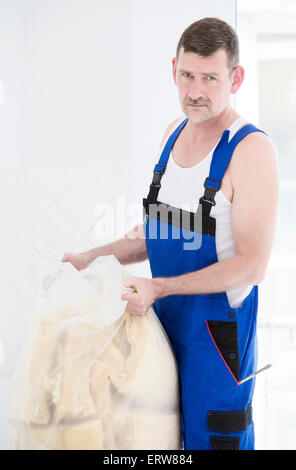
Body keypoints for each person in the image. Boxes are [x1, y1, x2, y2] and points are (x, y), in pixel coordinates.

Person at [62, 17, 279, 450]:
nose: (195, 91)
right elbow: (155, 233)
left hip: (217, 347)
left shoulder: (251, 150)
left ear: (235, 78)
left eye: (210, 78)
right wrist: (93, 255)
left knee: (212, 440)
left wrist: (158, 286)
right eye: (186, 75)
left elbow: (252, 267)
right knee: (158, 442)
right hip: (161, 333)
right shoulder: (171, 135)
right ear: (173, 71)